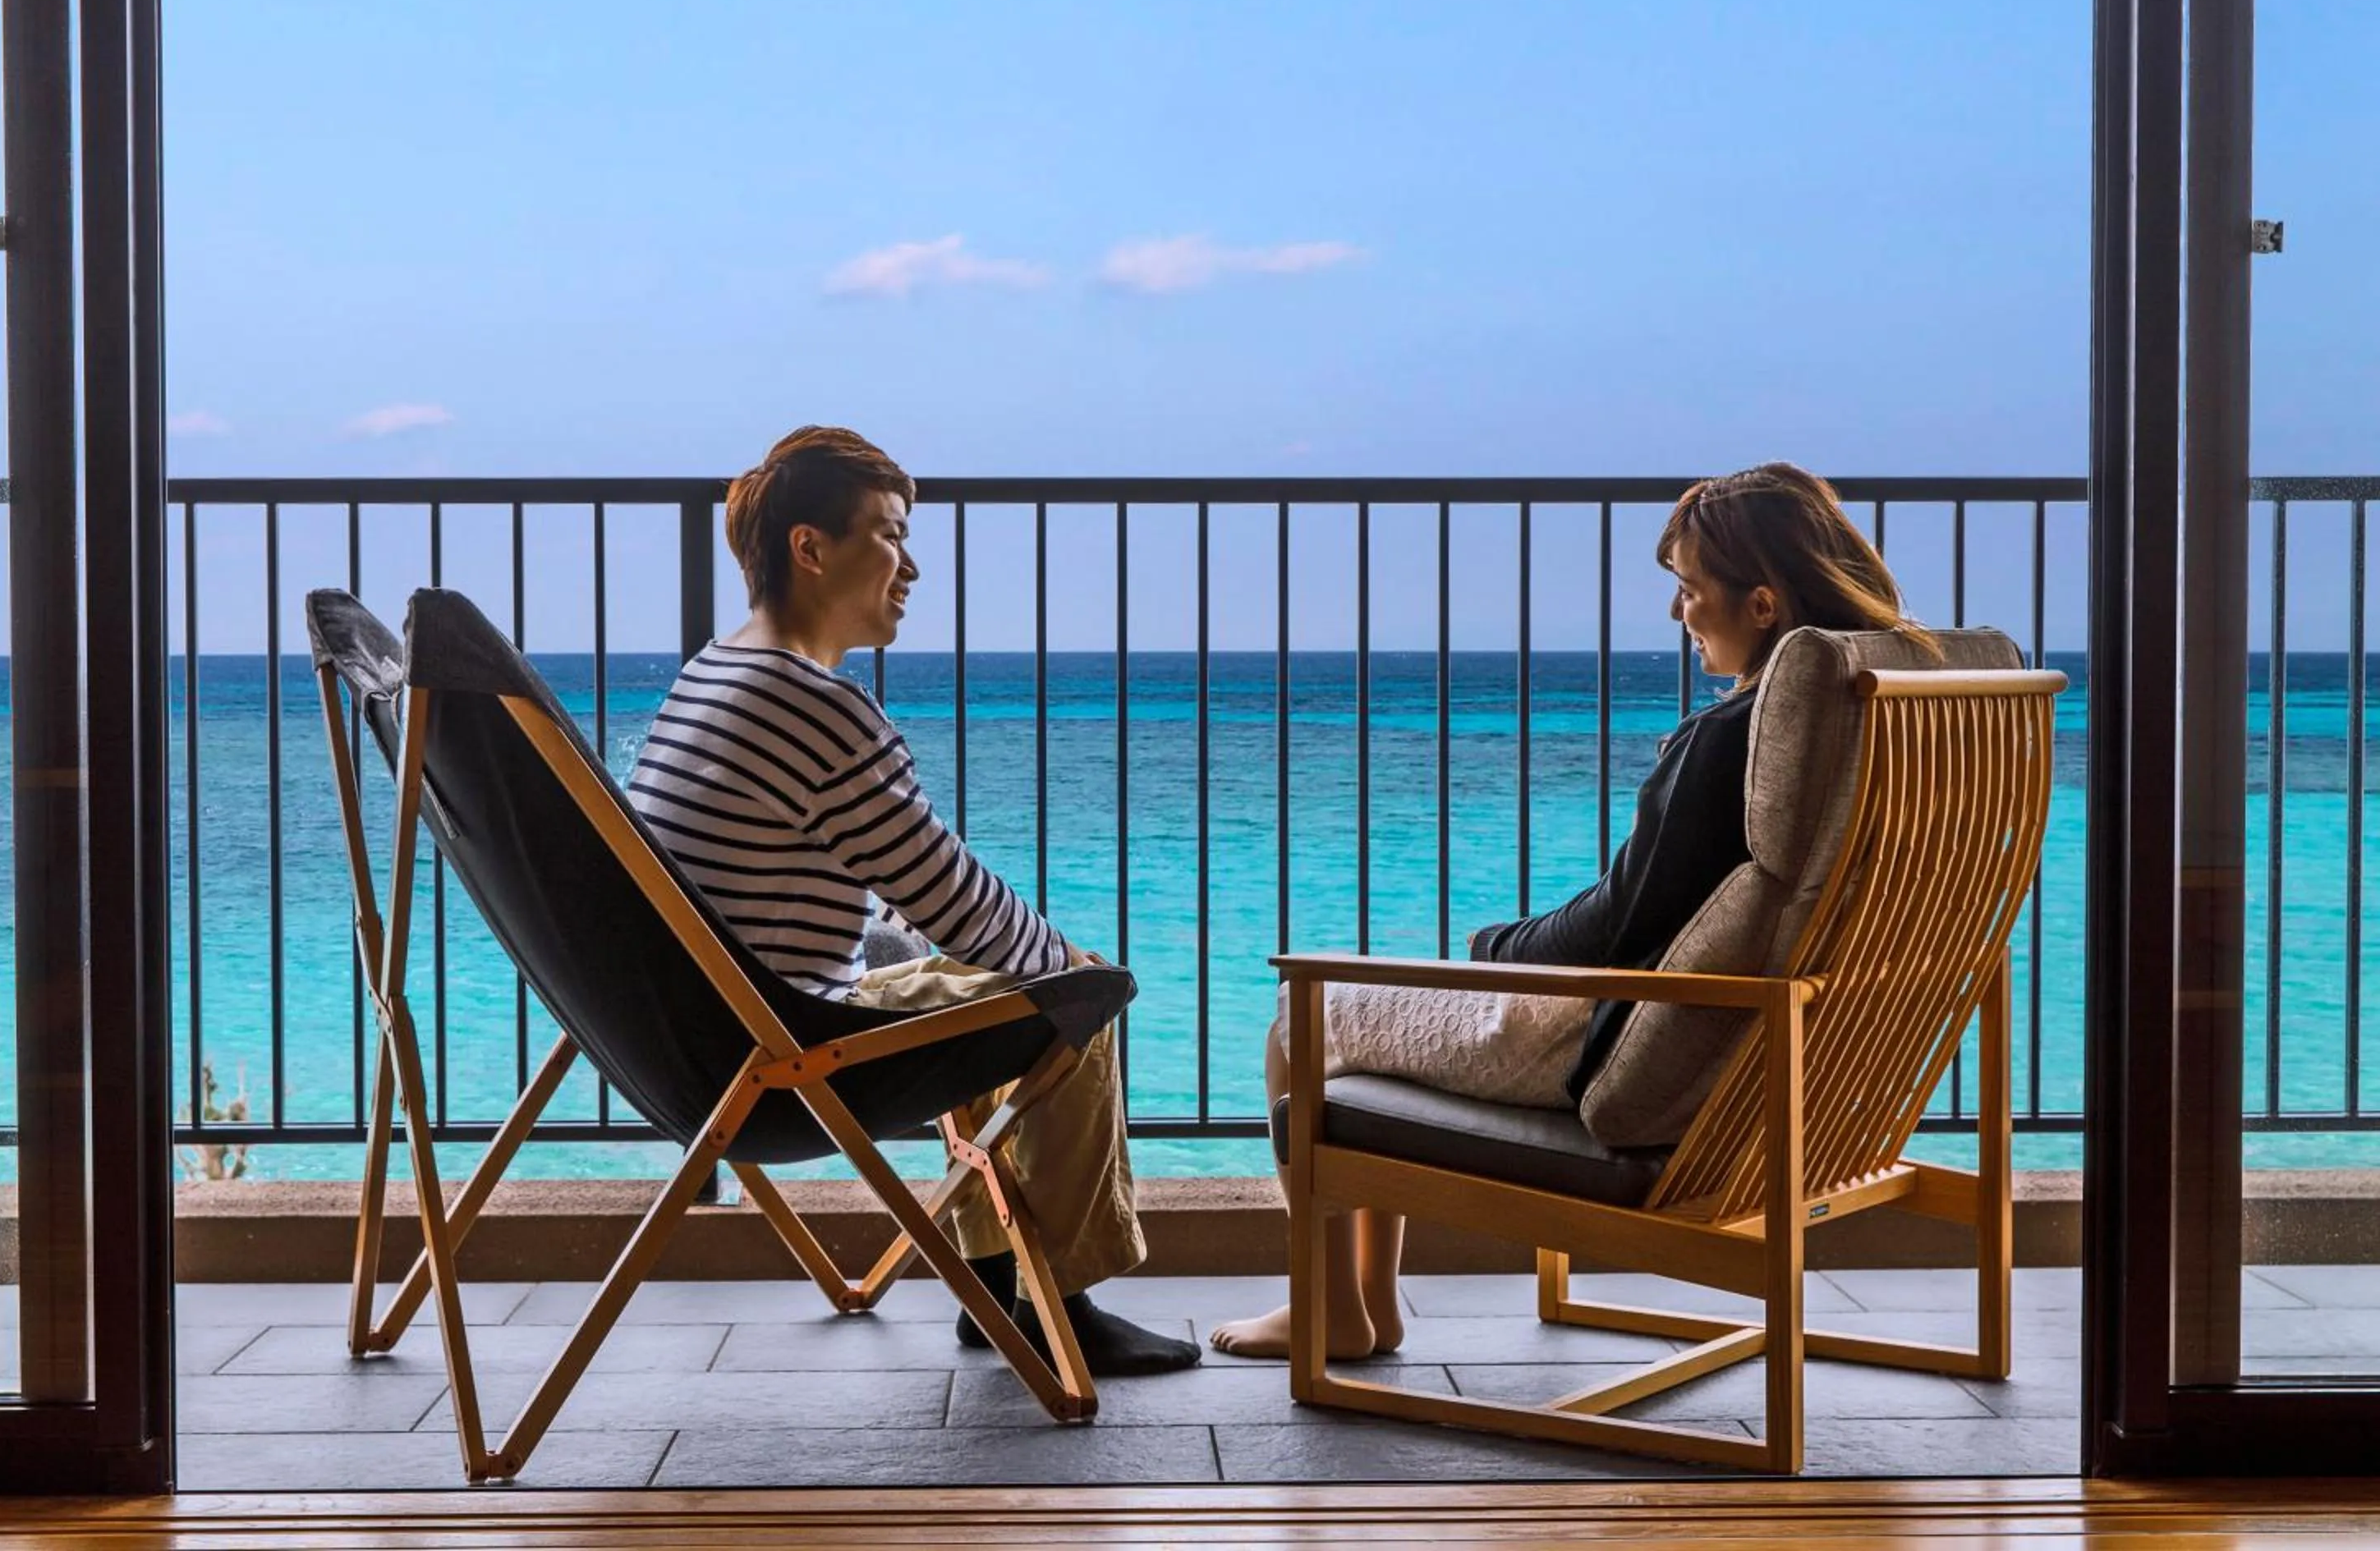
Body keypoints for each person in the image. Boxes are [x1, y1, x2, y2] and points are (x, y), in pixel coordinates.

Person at [1211, 462, 1937, 1361]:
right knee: (1372, 1011)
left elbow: (1617, 924)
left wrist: (1494, 945)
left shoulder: (1725, 747)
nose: (1679, 613)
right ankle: (1369, 1307)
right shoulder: (1883, 723)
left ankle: (1334, 1305)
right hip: (1785, 1073)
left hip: (1611, 1046)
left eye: (1689, 589)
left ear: (1761, 603)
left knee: (1305, 1015)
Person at [629, 425, 1199, 1376]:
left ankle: (993, 1282)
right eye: (890, 533)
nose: (912, 567)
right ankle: (1056, 1298)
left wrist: (967, 953)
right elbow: (957, 903)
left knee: (996, 980)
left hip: (692, 1034)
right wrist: (1074, 970)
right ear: (811, 548)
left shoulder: (714, 672)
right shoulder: (818, 709)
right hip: (781, 1057)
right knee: (1075, 999)